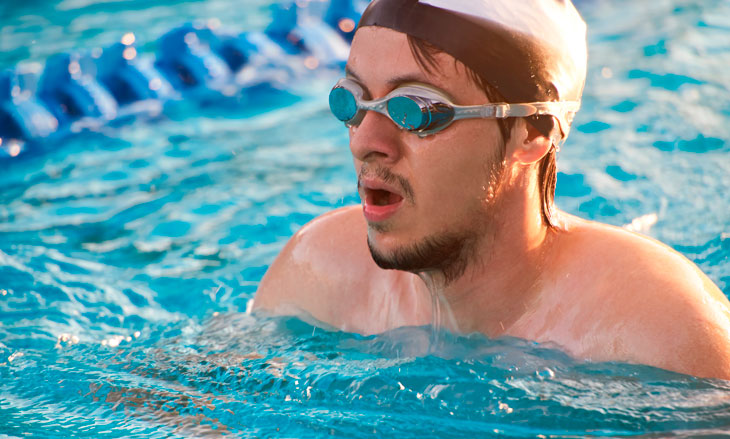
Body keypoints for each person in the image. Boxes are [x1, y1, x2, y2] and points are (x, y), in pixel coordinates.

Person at [255, 0, 730, 379]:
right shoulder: (318, 270)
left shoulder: (656, 332)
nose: (365, 141)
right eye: (354, 101)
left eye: (416, 110)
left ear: (531, 134)